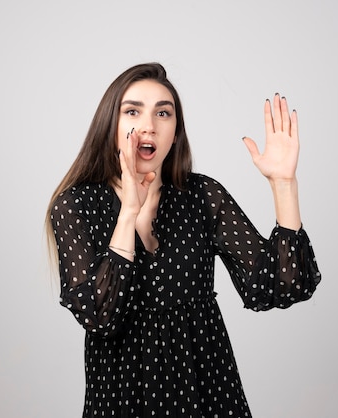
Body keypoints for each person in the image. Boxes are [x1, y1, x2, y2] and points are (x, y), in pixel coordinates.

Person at [45, 62, 321, 417]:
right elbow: (100, 316)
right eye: (132, 111)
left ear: (175, 133)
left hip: (210, 395)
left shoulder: (202, 196)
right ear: (110, 126)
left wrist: (284, 185)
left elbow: (279, 287)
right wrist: (128, 212)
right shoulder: (75, 206)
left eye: (164, 113)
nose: (149, 126)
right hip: (123, 400)